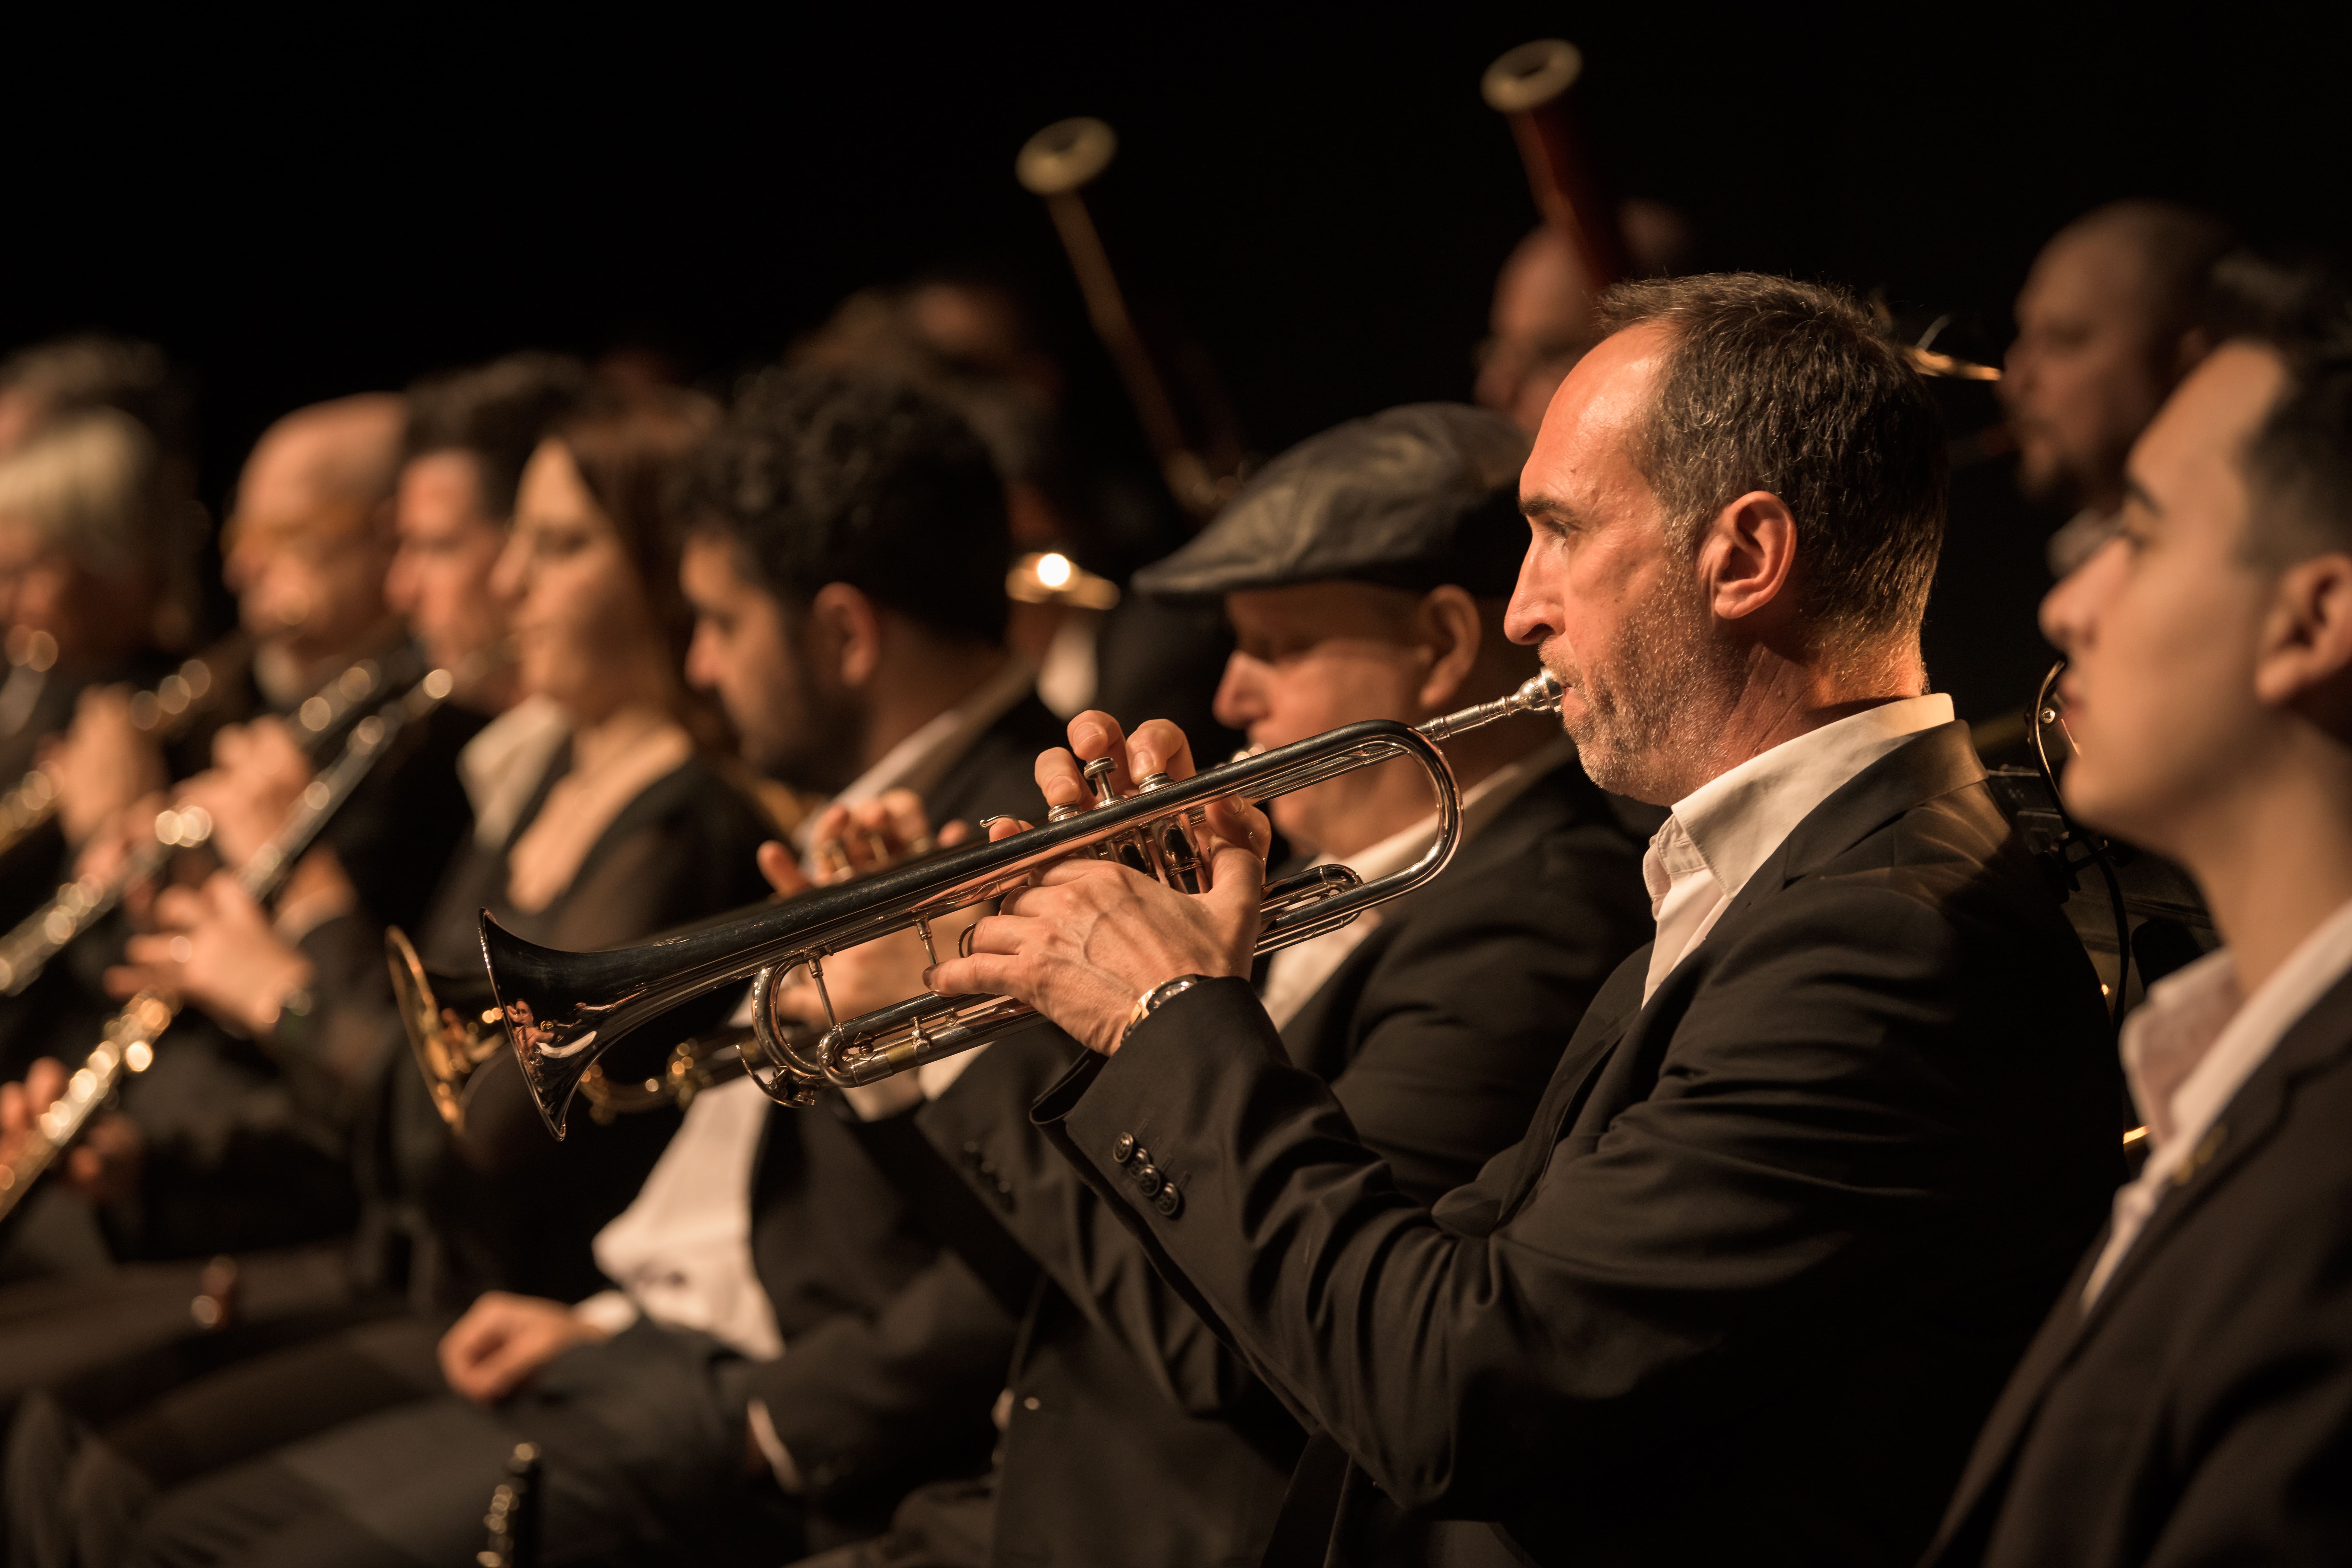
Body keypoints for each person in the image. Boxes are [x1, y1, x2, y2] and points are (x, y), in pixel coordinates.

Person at [926, 274, 2126, 1566]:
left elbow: (1454, 1388)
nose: (1519, 609)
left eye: (1557, 532)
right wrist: (1175, 999)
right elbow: (1417, 1282)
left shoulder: (1886, 938)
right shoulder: (1769, 889)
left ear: (1742, 557)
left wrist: (1171, 1017)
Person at [16, 369, 1057, 1568]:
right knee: (99, 1483)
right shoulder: (827, 813)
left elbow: (1009, 1253)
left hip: (750, 1399)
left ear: (841, 633)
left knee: (174, 1532)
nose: (701, 664)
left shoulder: (972, 831)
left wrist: (759, 1413)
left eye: (713, 619)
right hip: (628, 1332)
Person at [788, 403, 1656, 1568]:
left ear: (1444, 644)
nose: (1234, 695)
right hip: (1034, 1489)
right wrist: (944, 1015)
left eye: (1279, 646)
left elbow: (1239, 1347)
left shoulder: (1535, 915)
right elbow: (1061, 1268)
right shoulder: (1296, 870)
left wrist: (1019, 1035)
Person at [1921, 305, 2352, 1563]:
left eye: (2142, 534)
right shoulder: (2248, 1092)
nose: (2067, 601)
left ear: (2313, 625)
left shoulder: (2331, 1192)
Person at [2003, 201, 2236, 577]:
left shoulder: (2231, 577)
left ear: (2188, 365)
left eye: (2064, 340)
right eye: (2024, 337)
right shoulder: (2079, 559)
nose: (2015, 383)